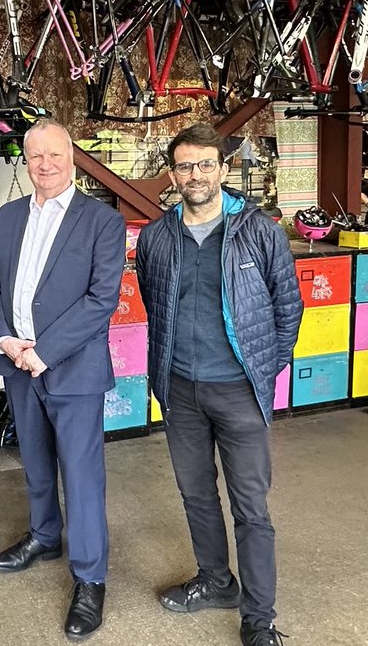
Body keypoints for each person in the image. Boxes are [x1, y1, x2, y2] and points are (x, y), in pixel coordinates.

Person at [135, 123, 302, 646]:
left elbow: (287, 307)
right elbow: (152, 296)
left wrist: (260, 369)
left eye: (206, 164)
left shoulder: (259, 230)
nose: (196, 174)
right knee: (196, 495)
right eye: (185, 166)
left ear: (224, 170)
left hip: (239, 392)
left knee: (250, 507)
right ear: (173, 174)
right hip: (181, 388)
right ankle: (215, 582)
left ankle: (259, 619)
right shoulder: (159, 236)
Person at [0, 119, 125, 642]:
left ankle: (90, 578)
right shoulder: (10, 215)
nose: (44, 164)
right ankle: (44, 536)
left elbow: (101, 299)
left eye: (54, 155)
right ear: (25, 159)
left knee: (82, 479)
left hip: (71, 369)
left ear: (73, 157)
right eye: (35, 155)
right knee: (35, 463)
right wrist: (5, 340)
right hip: (18, 364)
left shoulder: (101, 221)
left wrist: (45, 351)